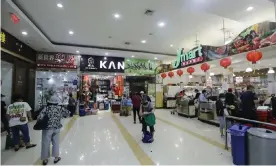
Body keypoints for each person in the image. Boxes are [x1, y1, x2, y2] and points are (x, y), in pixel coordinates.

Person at [38, 95, 70, 165]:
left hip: (47, 128)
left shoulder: (46, 108)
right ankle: (56, 157)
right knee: (56, 142)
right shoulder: (60, 108)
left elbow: (39, 117)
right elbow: (68, 114)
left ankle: (45, 159)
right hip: (57, 128)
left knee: (45, 143)